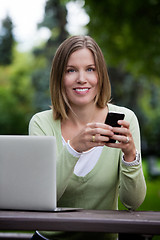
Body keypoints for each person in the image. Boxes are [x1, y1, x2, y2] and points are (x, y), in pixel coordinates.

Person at [29, 35, 146, 240]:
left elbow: (133, 203)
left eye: (90, 69)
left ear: (100, 75)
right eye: (71, 70)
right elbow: (42, 198)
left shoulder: (125, 119)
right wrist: (74, 148)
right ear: (59, 77)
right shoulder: (41, 123)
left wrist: (130, 155)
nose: (82, 78)